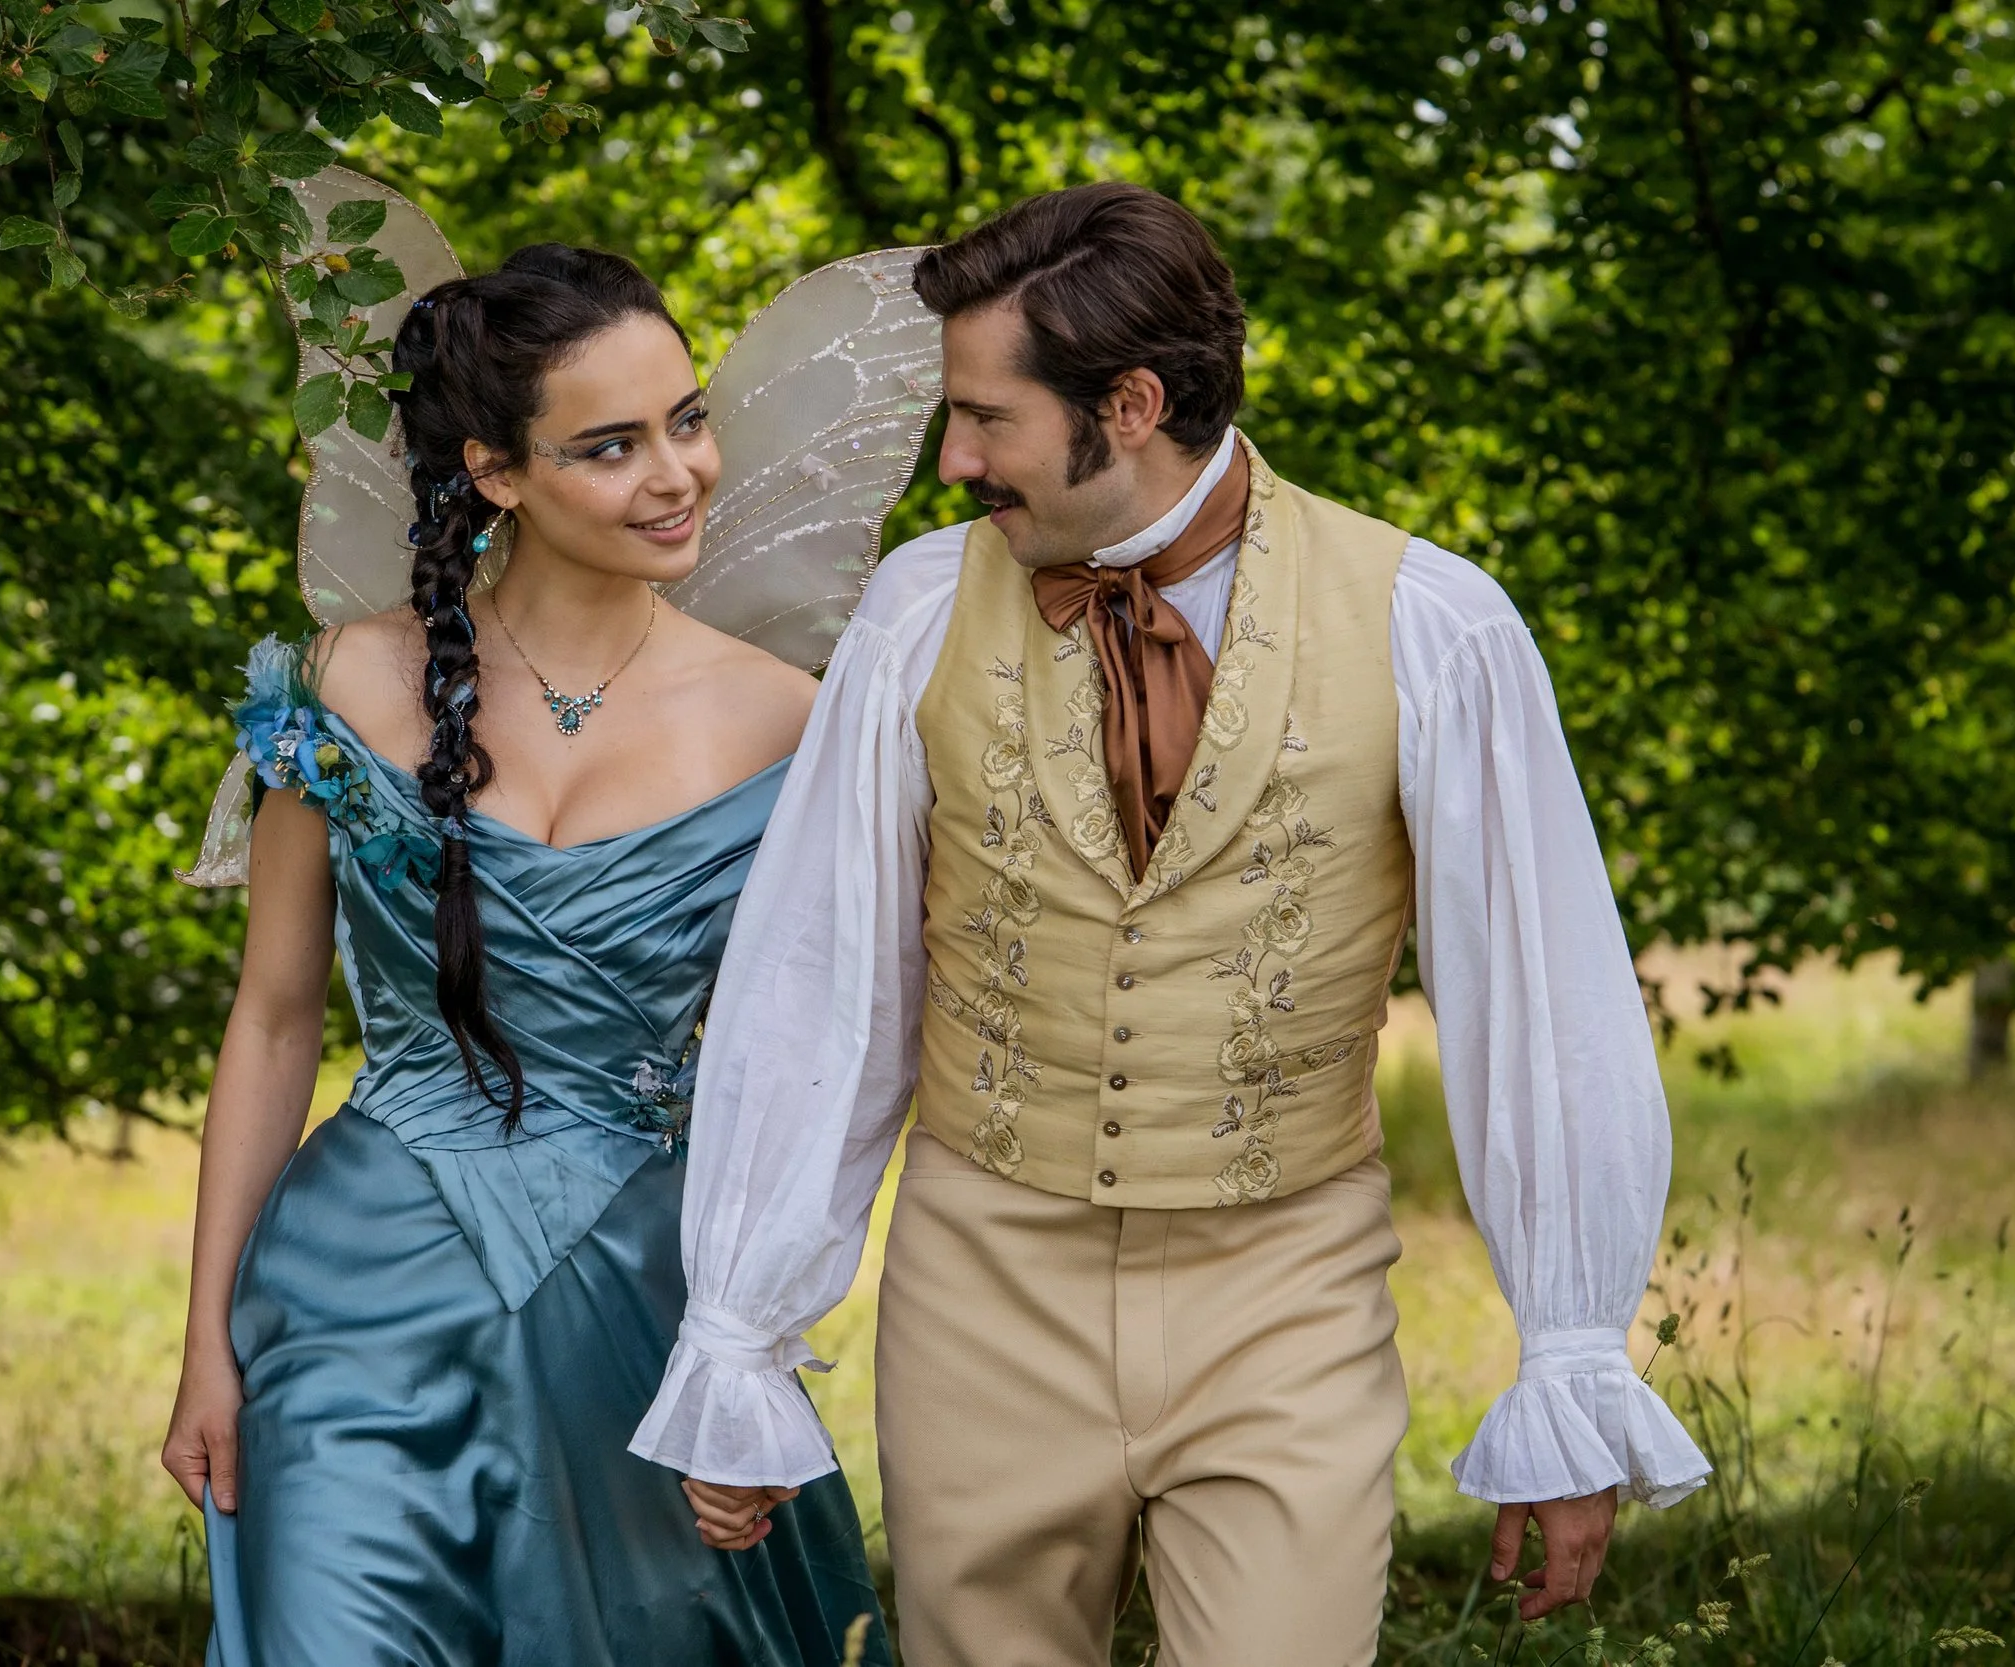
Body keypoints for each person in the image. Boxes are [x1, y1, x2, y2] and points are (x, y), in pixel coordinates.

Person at [633, 182, 1711, 1665]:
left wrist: (1572, 1354)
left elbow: (1543, 997)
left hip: (1285, 1295)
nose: (953, 460)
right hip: (981, 1294)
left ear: (1129, 407)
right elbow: (821, 981)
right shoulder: (914, 613)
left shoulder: (1435, 625)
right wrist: (743, 1335)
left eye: (986, 417)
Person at [161, 243, 889, 1666]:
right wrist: (207, 1344)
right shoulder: (345, 679)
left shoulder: (791, 721)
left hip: (642, 1293)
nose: (677, 474)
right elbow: (275, 1019)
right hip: (355, 1291)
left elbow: (812, 1071)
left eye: (687, 420)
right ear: (495, 471)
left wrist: (750, 1362)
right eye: (611, 447)